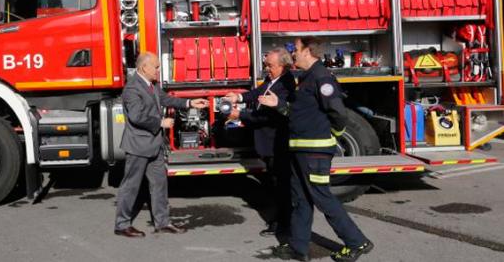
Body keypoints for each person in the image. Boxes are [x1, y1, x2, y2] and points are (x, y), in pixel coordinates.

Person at [259, 37, 373, 262]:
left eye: (296, 49)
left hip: (315, 152)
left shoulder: (322, 77)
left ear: (308, 51)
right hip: (300, 151)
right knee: (300, 199)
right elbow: (301, 113)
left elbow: (338, 113)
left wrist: (336, 136)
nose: (292, 53)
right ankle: (298, 247)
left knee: (322, 198)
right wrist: (279, 105)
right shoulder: (307, 78)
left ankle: (356, 241)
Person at [114, 52, 208, 238]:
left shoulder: (152, 85)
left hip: (154, 145)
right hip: (139, 146)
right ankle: (122, 225)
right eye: (156, 67)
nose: (158, 70)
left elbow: (166, 99)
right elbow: (136, 116)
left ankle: (162, 222)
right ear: (143, 68)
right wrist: (160, 123)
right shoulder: (132, 88)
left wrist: (190, 103)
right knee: (131, 186)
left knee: (159, 184)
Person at [225, 47, 295, 242]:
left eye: (270, 65)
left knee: (281, 185)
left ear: (282, 65)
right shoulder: (273, 80)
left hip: (276, 143)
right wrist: (238, 97)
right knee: (275, 183)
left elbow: (267, 116)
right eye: (266, 65)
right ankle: (281, 220)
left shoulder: (285, 84)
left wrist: (240, 114)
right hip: (268, 143)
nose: (266, 68)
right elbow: (257, 93)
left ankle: (283, 223)